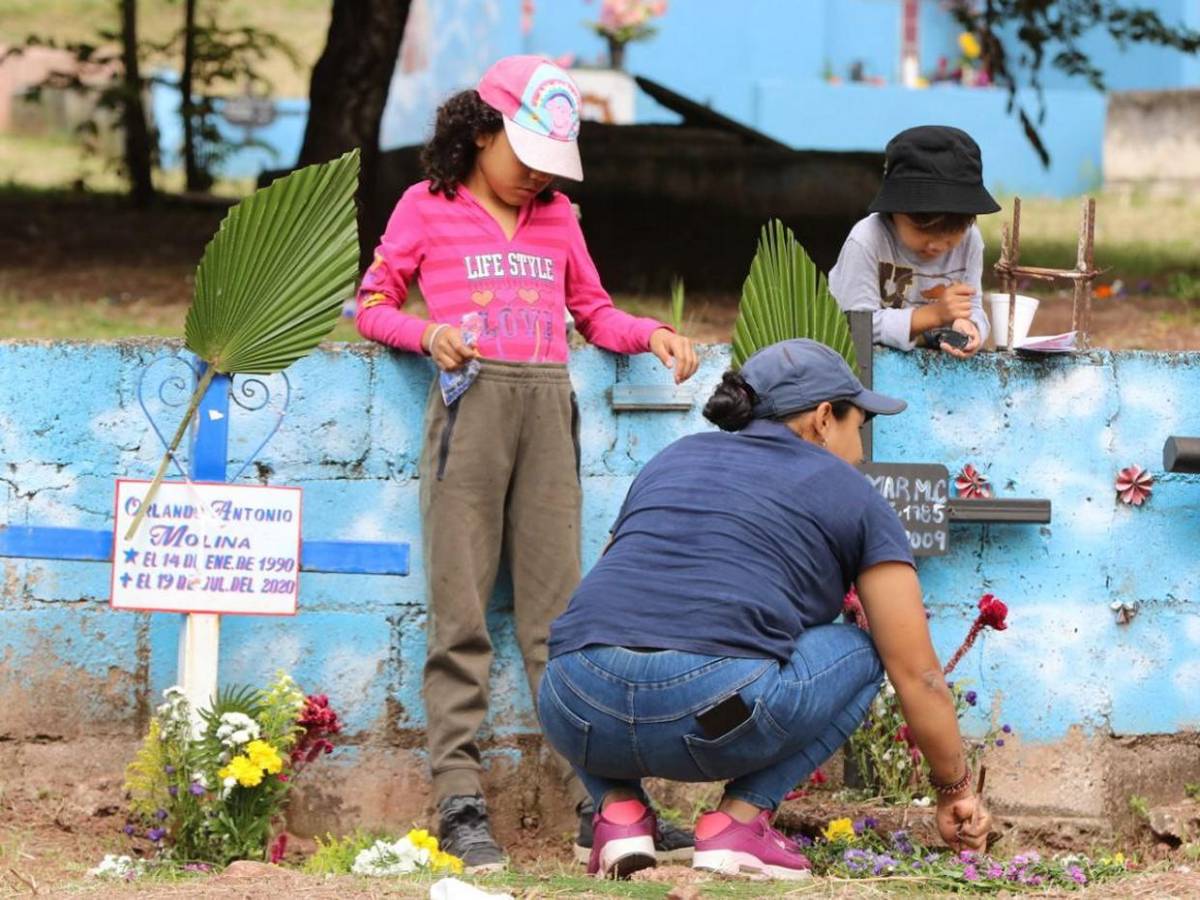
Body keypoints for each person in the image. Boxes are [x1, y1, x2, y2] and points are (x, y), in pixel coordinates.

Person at [355, 55, 698, 873]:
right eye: (526, 155)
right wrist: (428, 334)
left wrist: (650, 333)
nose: (538, 175)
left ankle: (602, 806)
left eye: (552, 162)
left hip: (548, 417)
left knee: (561, 623)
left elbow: (593, 313)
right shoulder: (425, 206)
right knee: (461, 617)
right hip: (468, 417)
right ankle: (460, 804)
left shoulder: (558, 217)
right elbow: (371, 304)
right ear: (482, 132)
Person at [539, 339, 992, 880]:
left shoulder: (671, 459)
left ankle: (619, 815)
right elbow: (918, 673)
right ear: (823, 418)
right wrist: (954, 790)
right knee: (867, 651)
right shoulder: (853, 493)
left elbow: (603, 590)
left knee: (585, 647)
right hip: (713, 711)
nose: (861, 448)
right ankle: (737, 824)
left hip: (572, 703)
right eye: (860, 424)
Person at [829, 125, 1000, 358]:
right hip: (858, 366)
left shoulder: (970, 240)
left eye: (953, 233)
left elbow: (973, 307)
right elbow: (855, 324)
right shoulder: (867, 239)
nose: (937, 245)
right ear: (894, 211)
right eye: (923, 230)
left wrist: (969, 326)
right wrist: (932, 316)